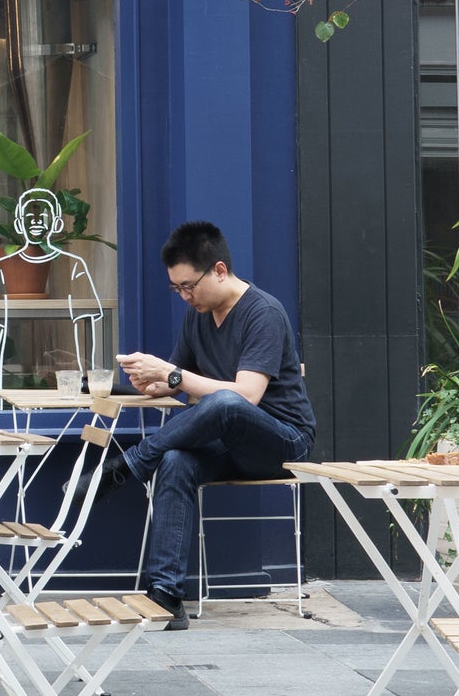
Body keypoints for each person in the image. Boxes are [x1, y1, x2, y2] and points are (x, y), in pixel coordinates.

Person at [104, 220, 316, 630]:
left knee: (226, 402)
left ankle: (131, 463)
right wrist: (153, 381)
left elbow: (246, 395)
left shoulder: (263, 313)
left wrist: (173, 375)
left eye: (189, 286)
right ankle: (166, 595)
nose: (185, 296)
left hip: (283, 442)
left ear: (219, 270)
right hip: (228, 441)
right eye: (176, 289)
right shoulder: (197, 316)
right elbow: (179, 380)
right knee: (176, 460)